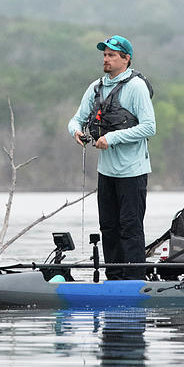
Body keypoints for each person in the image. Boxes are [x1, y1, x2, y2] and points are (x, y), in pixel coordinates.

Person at [68, 35, 156, 280]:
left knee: (130, 228)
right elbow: (76, 119)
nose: (106, 59)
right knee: (108, 227)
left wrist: (112, 138)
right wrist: (75, 130)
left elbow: (150, 127)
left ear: (126, 59)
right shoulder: (95, 87)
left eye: (112, 55)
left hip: (133, 172)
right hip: (106, 173)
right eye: (104, 55)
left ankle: (134, 280)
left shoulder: (136, 87)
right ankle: (114, 279)